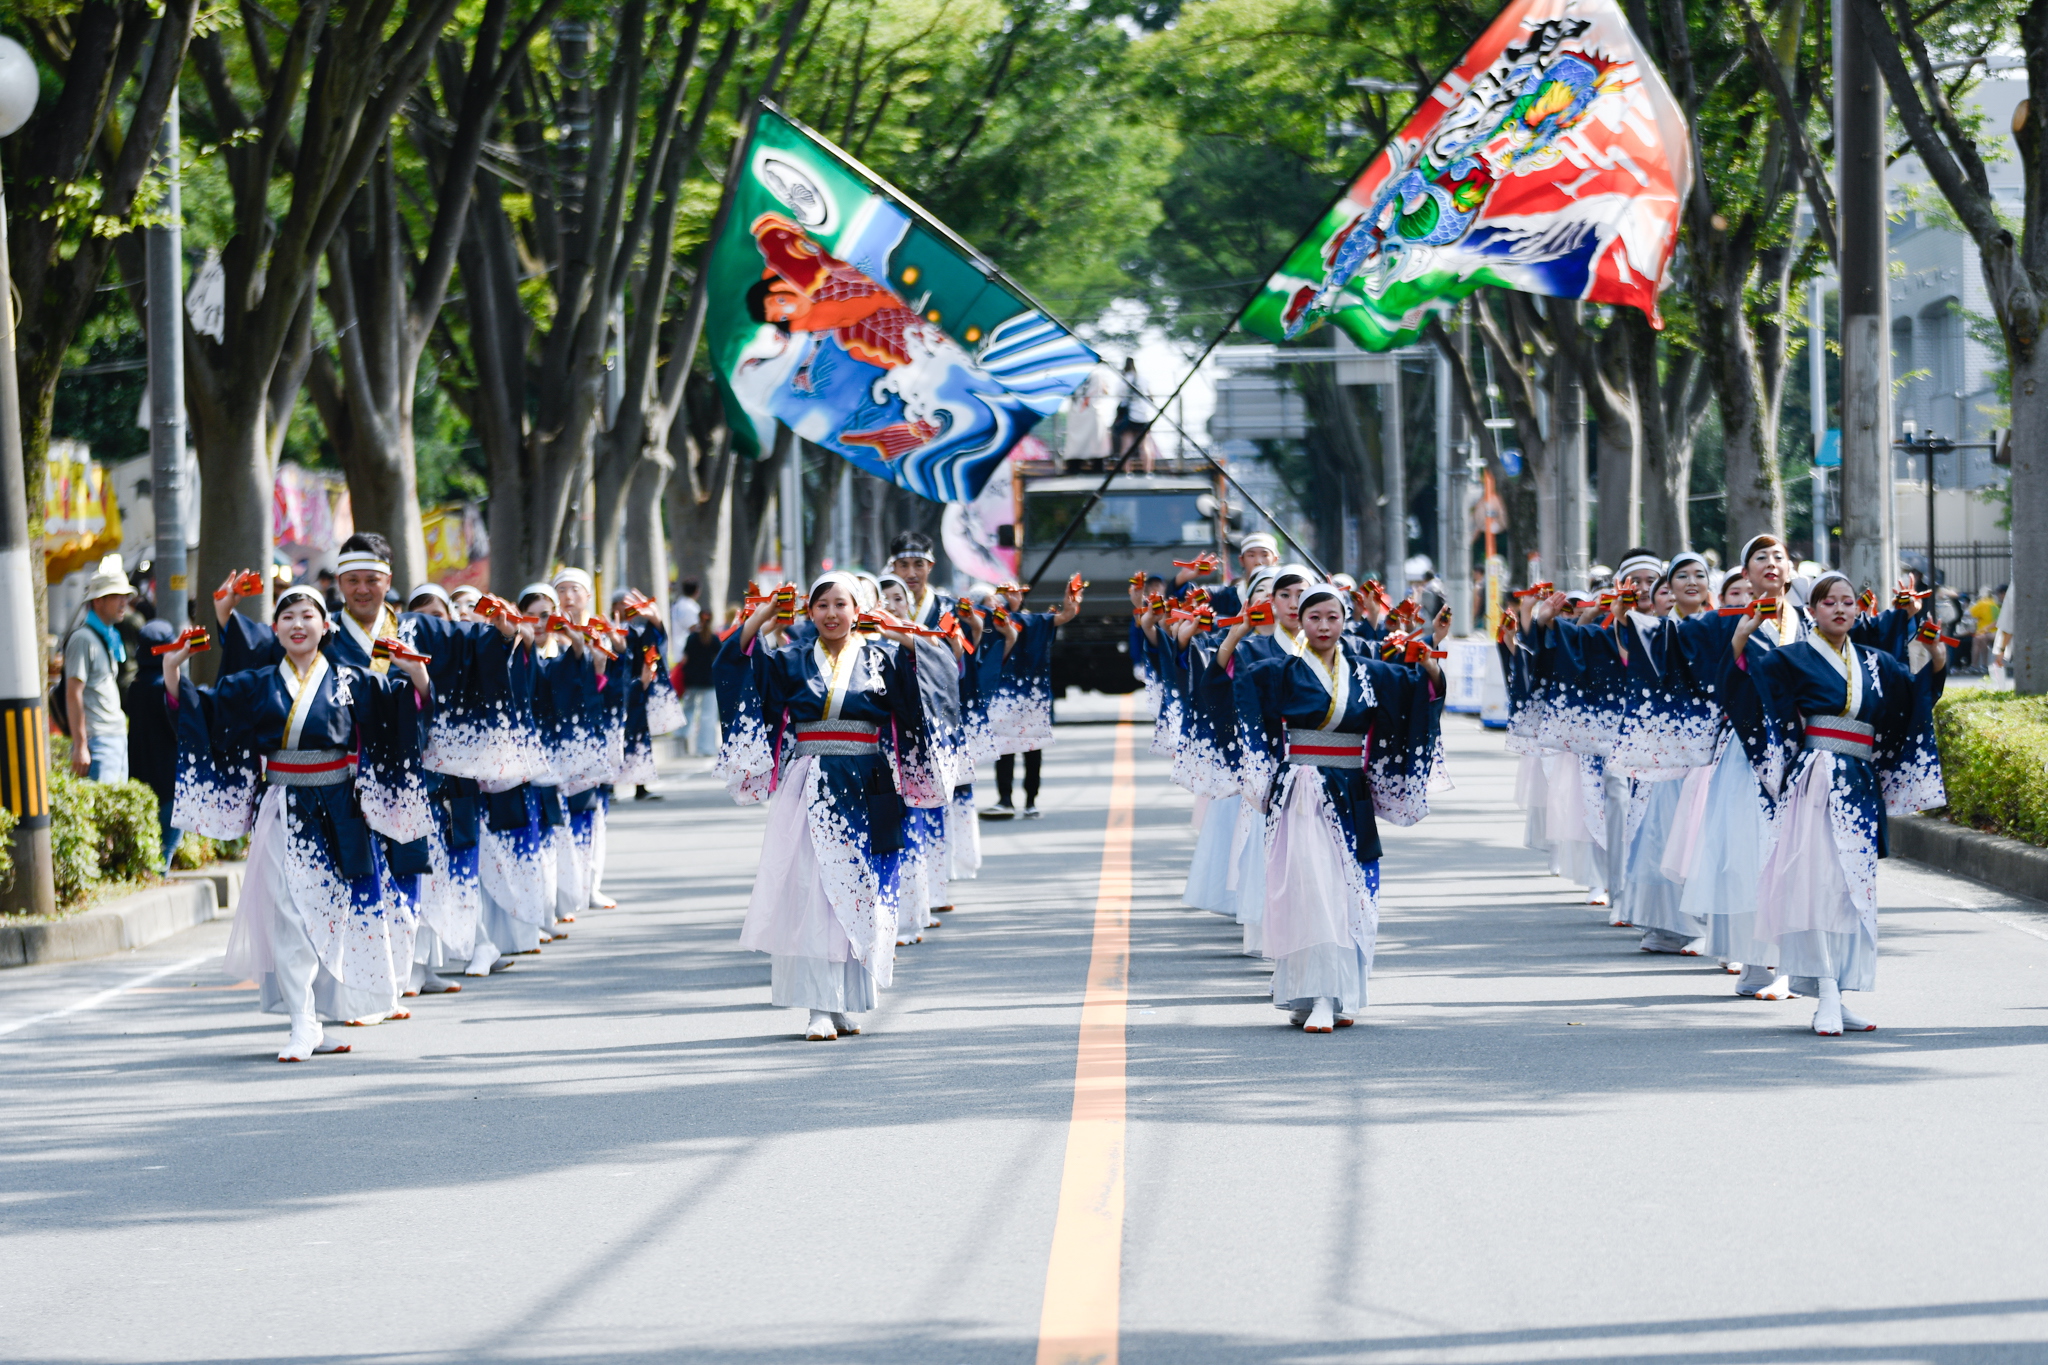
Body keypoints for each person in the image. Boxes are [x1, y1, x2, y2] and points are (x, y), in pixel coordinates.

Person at [162, 585, 436, 1062]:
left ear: (324, 625)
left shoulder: (351, 679)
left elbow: (397, 716)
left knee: (332, 911)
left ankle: (320, 1015)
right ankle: (301, 1022)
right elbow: (205, 712)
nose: (297, 624)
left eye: (306, 615)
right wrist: (173, 670)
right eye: (286, 616)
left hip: (340, 808)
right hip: (284, 806)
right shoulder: (256, 683)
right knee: (289, 912)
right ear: (274, 630)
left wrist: (417, 679)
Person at [1206, 582, 1448, 1032]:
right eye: (1313, 617)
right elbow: (1224, 688)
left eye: (1332, 617)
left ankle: (1339, 993)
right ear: (1299, 620)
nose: (1323, 625)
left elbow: (1420, 693)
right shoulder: (1279, 671)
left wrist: (1432, 658)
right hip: (1298, 792)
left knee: (1344, 893)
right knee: (1307, 890)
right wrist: (1235, 636)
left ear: (1344, 621)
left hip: (1348, 792)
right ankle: (1313, 995)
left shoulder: (1368, 673)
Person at [714, 571, 941, 1040]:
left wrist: (906, 639)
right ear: (808, 612)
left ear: (859, 610)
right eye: (822, 605)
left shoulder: (883, 657)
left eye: (842, 604)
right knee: (814, 893)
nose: (832, 614)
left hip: (871, 783)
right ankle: (819, 1005)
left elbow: (930, 690)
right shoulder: (789, 658)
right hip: (811, 785)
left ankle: (845, 1003)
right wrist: (759, 618)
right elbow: (736, 667)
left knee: (862, 892)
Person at [1736, 571, 1948, 1035]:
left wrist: (1935, 660)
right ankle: (1826, 992)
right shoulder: (1790, 658)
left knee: (1851, 889)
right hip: (1815, 777)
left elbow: (1911, 702)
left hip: (1859, 782)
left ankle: (1839, 993)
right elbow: (1747, 692)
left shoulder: (1876, 662)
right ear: (1811, 611)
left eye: (1847, 601)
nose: (1839, 608)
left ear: (1858, 610)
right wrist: (1741, 637)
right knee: (1819, 882)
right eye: (1827, 601)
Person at [984, 575, 1083, 818]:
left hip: (1032, 695)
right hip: (1003, 696)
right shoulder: (989, 621)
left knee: (1032, 749)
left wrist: (1071, 598)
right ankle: (1005, 799)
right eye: (1006, 593)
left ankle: (1030, 800)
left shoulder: (1032, 621)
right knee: (1005, 748)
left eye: (1016, 592)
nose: (1011, 596)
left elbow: (1065, 615)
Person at [64, 554, 136, 782]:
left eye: (125, 596)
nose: (123, 602)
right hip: (99, 740)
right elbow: (73, 692)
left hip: (114, 737)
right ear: (98, 601)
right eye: (116, 596)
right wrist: (80, 745)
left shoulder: (107, 635)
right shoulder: (83, 638)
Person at [124, 619, 183, 868]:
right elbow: (179, 728)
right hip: (170, 778)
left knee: (149, 848)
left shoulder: (134, 687)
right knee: (165, 850)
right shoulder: (167, 688)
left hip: (140, 775)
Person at [671, 578, 703, 644]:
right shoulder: (691, 607)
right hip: (686, 645)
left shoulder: (678, 602)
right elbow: (693, 628)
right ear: (697, 591)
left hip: (676, 643)